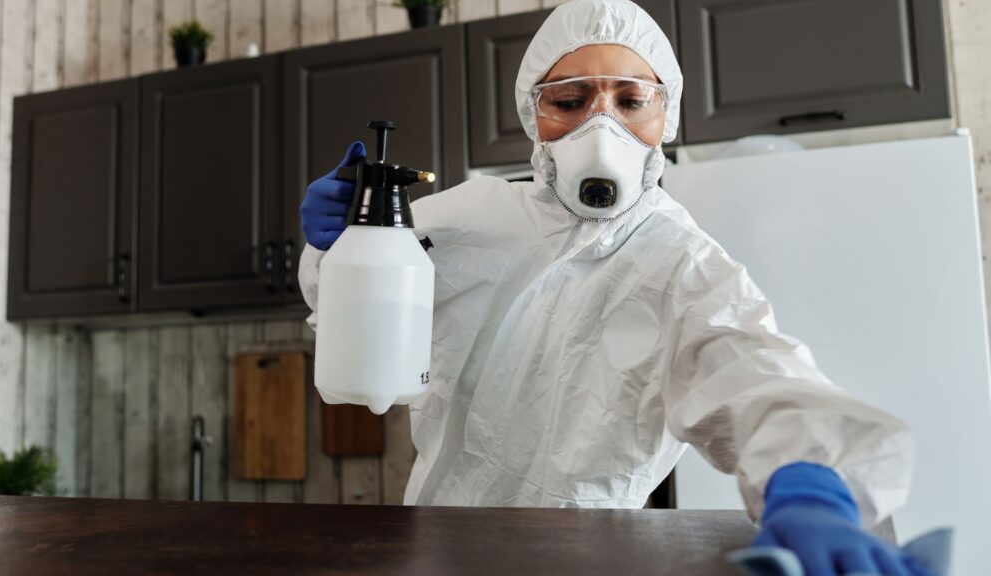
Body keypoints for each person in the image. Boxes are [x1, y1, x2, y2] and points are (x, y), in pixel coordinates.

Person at [299, 1, 929, 574]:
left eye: (631, 102)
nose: (601, 132)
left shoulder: (679, 261)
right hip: (437, 542)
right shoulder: (468, 220)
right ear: (533, 114)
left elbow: (752, 365)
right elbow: (349, 313)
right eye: (570, 103)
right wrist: (340, 244)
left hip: (593, 558)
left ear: (665, 114)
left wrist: (809, 481)